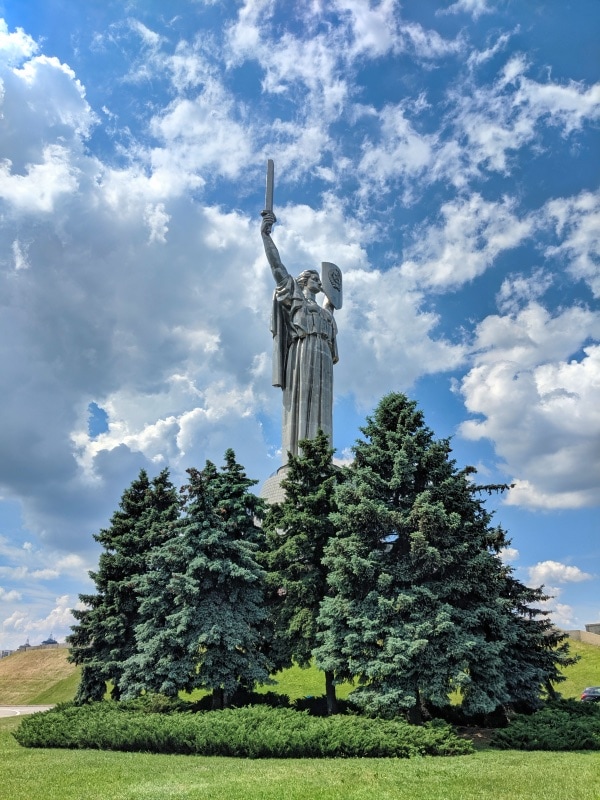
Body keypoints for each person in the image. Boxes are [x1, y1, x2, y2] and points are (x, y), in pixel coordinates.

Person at [261, 211, 338, 462]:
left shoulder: (326, 313)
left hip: (323, 356)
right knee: (302, 400)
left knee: (322, 406)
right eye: (314, 277)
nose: (318, 280)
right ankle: (297, 460)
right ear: (304, 281)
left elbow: (333, 302)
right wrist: (266, 236)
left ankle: (321, 461)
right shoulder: (295, 297)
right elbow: (277, 267)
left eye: (319, 278)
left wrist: (332, 294)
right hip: (302, 350)